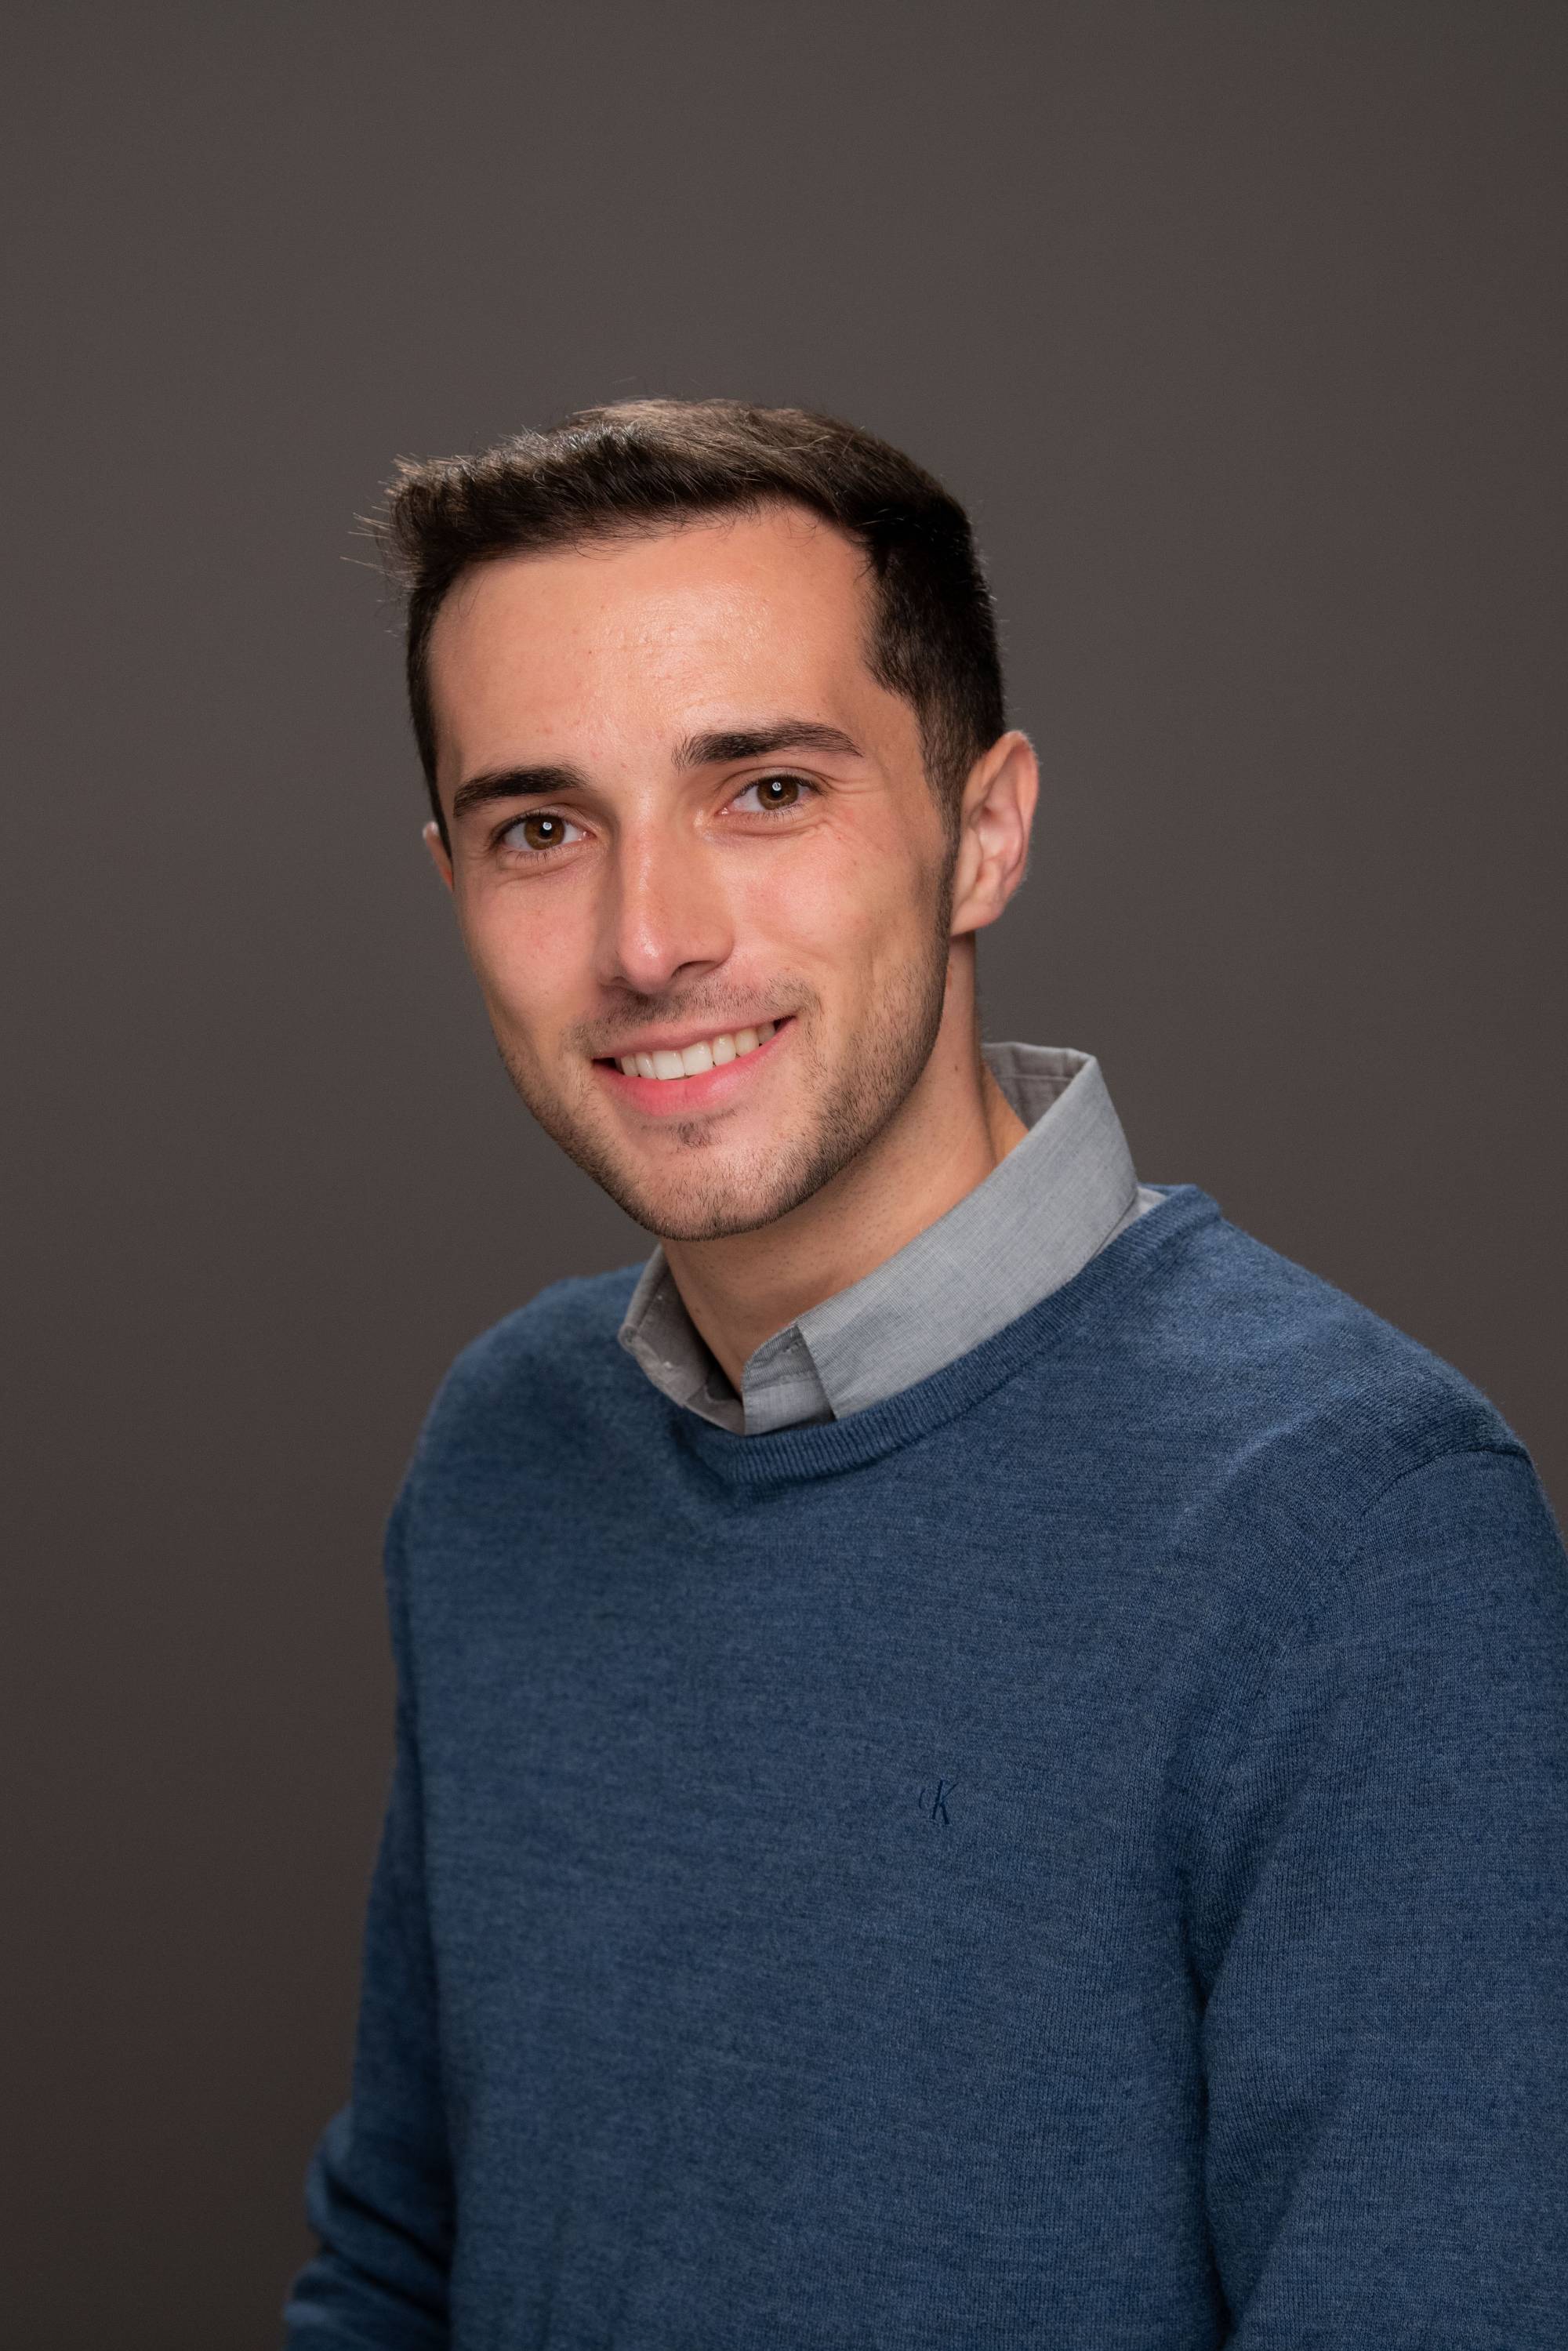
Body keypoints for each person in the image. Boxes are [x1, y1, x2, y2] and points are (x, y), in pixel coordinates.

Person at [282, 399, 1567, 2349]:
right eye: (542, 828)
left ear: (985, 829)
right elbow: (396, 2261)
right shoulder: (507, 1450)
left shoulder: (1359, 1535)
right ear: (453, 876)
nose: (649, 939)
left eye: (767, 791)